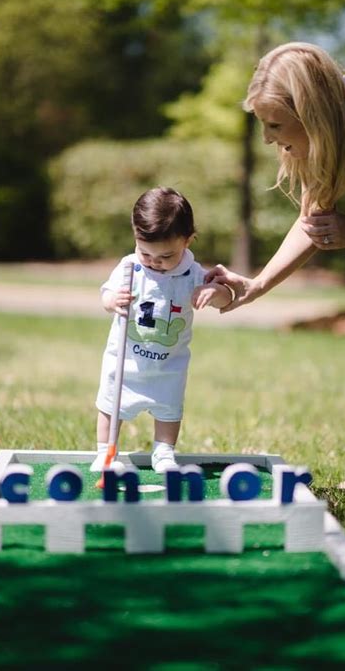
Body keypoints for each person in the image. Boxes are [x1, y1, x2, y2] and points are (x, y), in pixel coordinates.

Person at [205, 42, 345, 505]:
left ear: (311, 113)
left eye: (275, 125)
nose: (267, 139)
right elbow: (314, 224)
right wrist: (254, 286)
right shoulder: (332, 132)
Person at [91, 186, 235, 474]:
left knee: (169, 406)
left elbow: (226, 297)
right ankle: (106, 452)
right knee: (110, 403)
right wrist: (111, 301)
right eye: (146, 253)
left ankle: (164, 451)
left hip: (169, 363)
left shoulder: (193, 274)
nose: (155, 262)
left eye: (166, 256)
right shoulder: (130, 267)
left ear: (188, 241)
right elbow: (106, 294)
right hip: (125, 359)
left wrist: (213, 291)